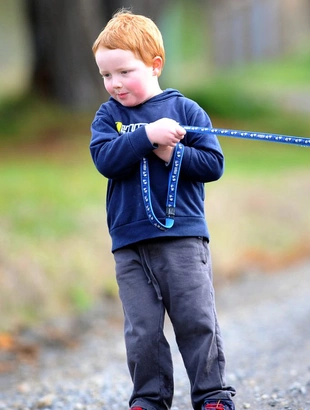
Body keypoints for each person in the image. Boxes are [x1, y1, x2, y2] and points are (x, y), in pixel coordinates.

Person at [89, 9, 236, 410]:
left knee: (195, 319)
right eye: (106, 75)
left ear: (155, 66)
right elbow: (105, 159)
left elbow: (212, 165)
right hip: (130, 242)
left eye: (124, 72)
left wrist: (173, 151)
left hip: (182, 238)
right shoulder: (109, 117)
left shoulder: (187, 111)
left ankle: (212, 396)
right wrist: (147, 137)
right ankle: (149, 399)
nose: (115, 84)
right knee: (142, 330)